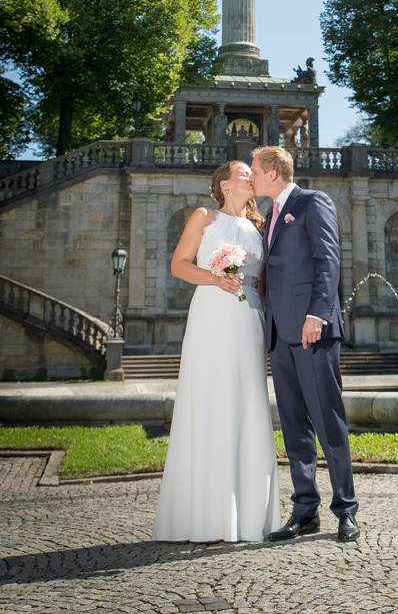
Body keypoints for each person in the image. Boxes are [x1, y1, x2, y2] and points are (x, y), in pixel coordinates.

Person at [152, 160, 280, 542]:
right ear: (224, 184)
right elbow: (178, 265)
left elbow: (261, 280)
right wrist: (214, 277)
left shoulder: (261, 225)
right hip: (211, 312)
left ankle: (249, 512)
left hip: (249, 317)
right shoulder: (204, 216)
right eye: (244, 173)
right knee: (210, 400)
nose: (251, 177)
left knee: (248, 401)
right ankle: (205, 512)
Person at [250, 145, 359, 543]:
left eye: (255, 171)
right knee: (294, 426)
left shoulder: (313, 201)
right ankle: (304, 511)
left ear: (274, 173)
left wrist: (319, 313)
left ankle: (346, 510)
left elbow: (329, 260)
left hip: (314, 330)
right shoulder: (269, 217)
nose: (251, 177)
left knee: (328, 421)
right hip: (280, 334)